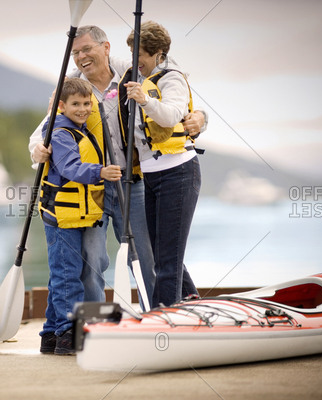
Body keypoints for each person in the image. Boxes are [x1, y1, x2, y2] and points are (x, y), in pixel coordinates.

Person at [29, 25, 207, 310]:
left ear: (106, 47)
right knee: (92, 260)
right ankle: (93, 325)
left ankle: (161, 317)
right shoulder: (71, 88)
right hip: (92, 188)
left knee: (148, 258)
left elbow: (175, 95)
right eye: (76, 53)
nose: (81, 57)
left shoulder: (132, 73)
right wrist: (37, 149)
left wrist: (201, 117)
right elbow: (42, 132)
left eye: (87, 49)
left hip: (133, 183)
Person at [38, 78, 121, 355]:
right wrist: (100, 172)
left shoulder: (80, 130)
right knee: (67, 275)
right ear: (61, 106)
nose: (83, 109)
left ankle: (50, 335)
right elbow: (71, 167)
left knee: (60, 276)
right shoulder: (61, 134)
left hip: (76, 216)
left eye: (87, 104)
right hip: (62, 217)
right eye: (76, 104)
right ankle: (66, 334)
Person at [123, 21, 201, 306]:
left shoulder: (172, 79)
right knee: (162, 253)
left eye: (139, 54)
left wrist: (144, 101)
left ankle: (162, 319)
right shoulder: (138, 73)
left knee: (166, 261)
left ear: (158, 54)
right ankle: (191, 300)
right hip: (151, 175)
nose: (135, 60)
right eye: (132, 53)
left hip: (178, 172)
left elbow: (170, 117)